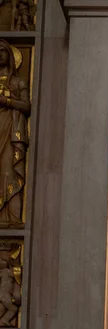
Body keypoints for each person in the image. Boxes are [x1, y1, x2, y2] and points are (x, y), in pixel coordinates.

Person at [0, 40, 28, 227]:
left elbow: (26, 105)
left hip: (9, 128)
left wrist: (7, 101)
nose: (0, 54)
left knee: (8, 170)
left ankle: (13, 217)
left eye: (3, 51)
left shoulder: (18, 82)